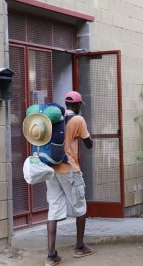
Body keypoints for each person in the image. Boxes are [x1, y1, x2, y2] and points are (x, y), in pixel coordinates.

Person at [44, 91, 94, 266]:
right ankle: (80, 247)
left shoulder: (55, 120)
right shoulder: (78, 120)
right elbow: (89, 144)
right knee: (80, 206)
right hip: (69, 169)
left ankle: (51, 256)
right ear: (78, 105)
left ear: (66, 104)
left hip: (51, 170)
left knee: (54, 209)